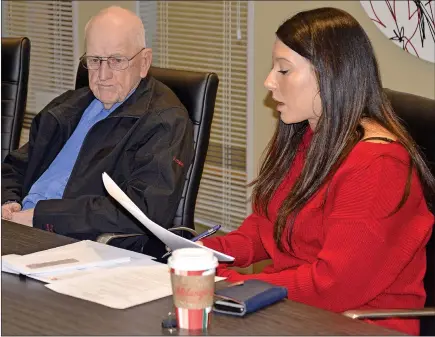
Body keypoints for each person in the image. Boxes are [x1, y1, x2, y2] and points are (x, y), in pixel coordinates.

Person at [200, 7, 434, 335]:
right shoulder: (310, 137)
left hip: (359, 324)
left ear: (329, 74)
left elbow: (333, 286)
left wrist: (232, 283)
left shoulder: (378, 167)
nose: (269, 81)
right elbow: (266, 228)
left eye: (283, 70)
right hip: (296, 313)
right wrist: (203, 254)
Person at [1, 6, 194, 257]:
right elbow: (15, 167)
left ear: (144, 62)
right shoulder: (68, 107)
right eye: (94, 61)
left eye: (116, 60)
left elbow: (142, 210)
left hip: (73, 245)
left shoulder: (165, 122)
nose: (102, 75)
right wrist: (8, 201)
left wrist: (38, 217)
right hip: (17, 230)